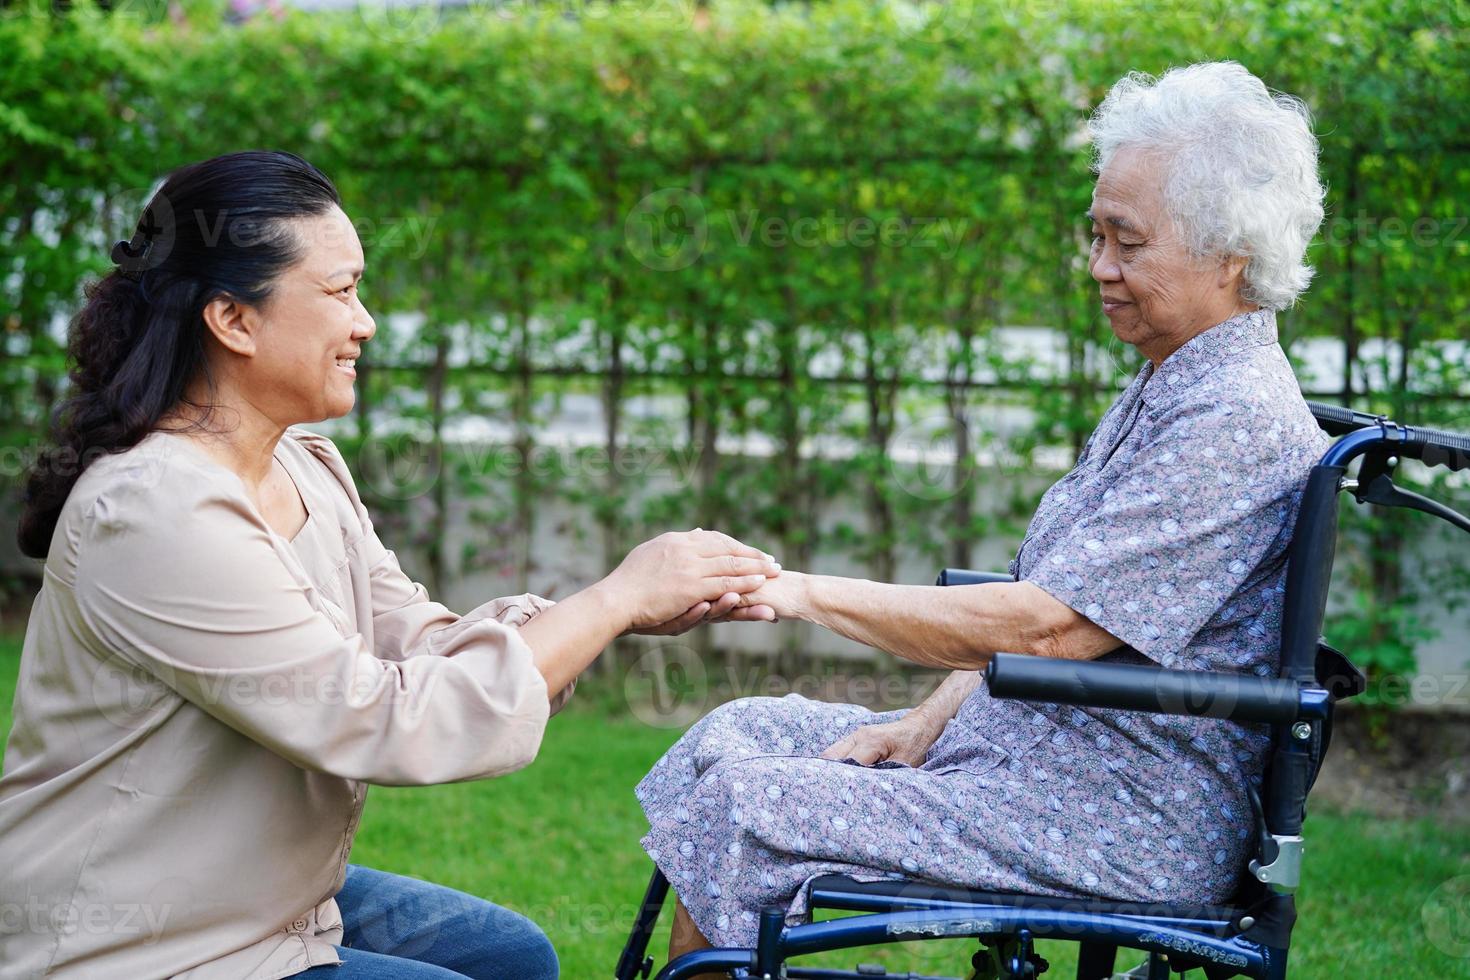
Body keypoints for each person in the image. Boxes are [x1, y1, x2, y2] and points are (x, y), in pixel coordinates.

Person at [0, 151, 779, 979]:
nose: (366, 321)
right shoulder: (158, 510)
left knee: (513, 955)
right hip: (134, 941)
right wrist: (615, 600)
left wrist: (601, 615)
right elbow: (383, 719)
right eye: (340, 293)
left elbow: (417, 642)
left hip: (266, 899)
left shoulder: (303, 463)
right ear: (233, 319)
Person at [636, 61, 1332, 972]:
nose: (1099, 268)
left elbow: (1049, 628)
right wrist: (928, 721)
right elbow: (1060, 606)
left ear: (1228, 254)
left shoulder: (1232, 414)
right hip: (1036, 758)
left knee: (746, 804)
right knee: (733, 736)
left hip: (1121, 813)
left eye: (1126, 242)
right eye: (1095, 235)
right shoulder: (1174, 380)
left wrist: (795, 591)